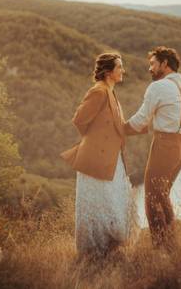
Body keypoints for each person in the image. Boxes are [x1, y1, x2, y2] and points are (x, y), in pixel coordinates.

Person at [125, 46, 181, 247]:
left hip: (165, 144)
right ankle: (171, 247)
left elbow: (141, 120)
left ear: (164, 64)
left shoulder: (158, 87)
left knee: (151, 198)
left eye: (152, 64)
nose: (150, 68)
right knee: (162, 196)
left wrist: (118, 130)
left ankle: (162, 250)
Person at [60, 53, 134, 257]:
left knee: (111, 200)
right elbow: (79, 120)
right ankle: (94, 252)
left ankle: (109, 248)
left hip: (111, 157)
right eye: (119, 67)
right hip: (97, 157)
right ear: (108, 72)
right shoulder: (99, 92)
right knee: (99, 202)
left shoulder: (110, 91)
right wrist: (94, 142)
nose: (123, 71)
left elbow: (116, 126)